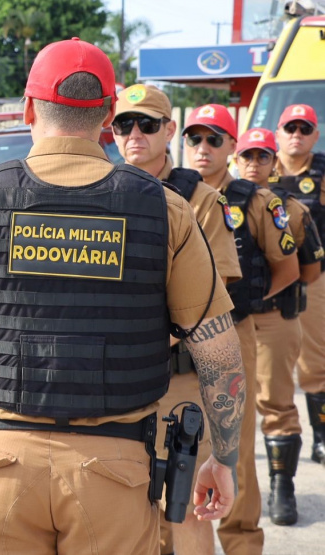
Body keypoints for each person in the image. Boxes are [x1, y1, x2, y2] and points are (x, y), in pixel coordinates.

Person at [0, 38, 246, 554]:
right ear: (108, 115)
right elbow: (218, 349)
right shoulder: (166, 210)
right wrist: (225, 457)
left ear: (29, 108)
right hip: (116, 471)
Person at [111, 84, 241, 555]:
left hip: (177, 378)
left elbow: (211, 296)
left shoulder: (201, 199)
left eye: (147, 125)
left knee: (183, 503)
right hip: (114, 376)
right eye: (124, 124)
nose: (135, 135)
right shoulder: (100, 188)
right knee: (117, 505)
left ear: (169, 130)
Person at [183, 105, 299, 552]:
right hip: (179, 343)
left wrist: (248, 301)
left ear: (232, 147)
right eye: (196, 139)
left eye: (215, 139)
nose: (204, 148)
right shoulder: (172, 194)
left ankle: (242, 542)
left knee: (235, 451)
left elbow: (287, 268)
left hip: (235, 334)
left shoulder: (256, 200)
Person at [237, 126, 325, 526]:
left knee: (275, 402)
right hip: (229, 322)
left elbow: (308, 272)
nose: (254, 164)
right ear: (236, 161)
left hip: (274, 318)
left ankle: (281, 487)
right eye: (247, 157)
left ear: (274, 163)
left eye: (262, 157)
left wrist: (261, 294)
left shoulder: (290, 209)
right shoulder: (214, 203)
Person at [268, 104, 325, 514]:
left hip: (313, 275)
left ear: (314, 136)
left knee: (314, 361)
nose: (297, 136)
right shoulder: (259, 168)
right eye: (291, 128)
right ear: (278, 131)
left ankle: (321, 437)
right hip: (265, 279)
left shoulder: (320, 176)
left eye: (305, 129)